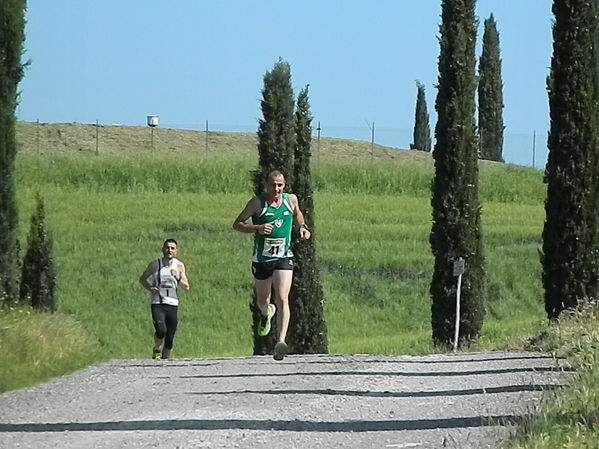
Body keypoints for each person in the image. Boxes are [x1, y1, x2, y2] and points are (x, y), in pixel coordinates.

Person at [233, 170, 311, 360]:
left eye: (280, 185)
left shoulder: (290, 200)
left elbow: (298, 214)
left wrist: (302, 227)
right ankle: (266, 312)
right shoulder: (257, 203)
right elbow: (237, 224)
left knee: (283, 296)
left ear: (284, 185)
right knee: (263, 300)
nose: (276, 189)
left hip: (284, 256)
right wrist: (257, 228)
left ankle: (280, 341)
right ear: (266, 185)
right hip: (262, 259)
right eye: (273, 185)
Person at [139, 238, 190, 360]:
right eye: (167, 247)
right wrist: (151, 288)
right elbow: (142, 279)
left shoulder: (179, 265)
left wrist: (177, 277)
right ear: (163, 249)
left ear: (176, 251)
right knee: (161, 330)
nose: (169, 250)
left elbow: (186, 287)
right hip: (158, 303)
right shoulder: (155, 264)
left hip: (172, 303)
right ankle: (157, 349)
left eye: (172, 248)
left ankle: (164, 364)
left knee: (169, 339)